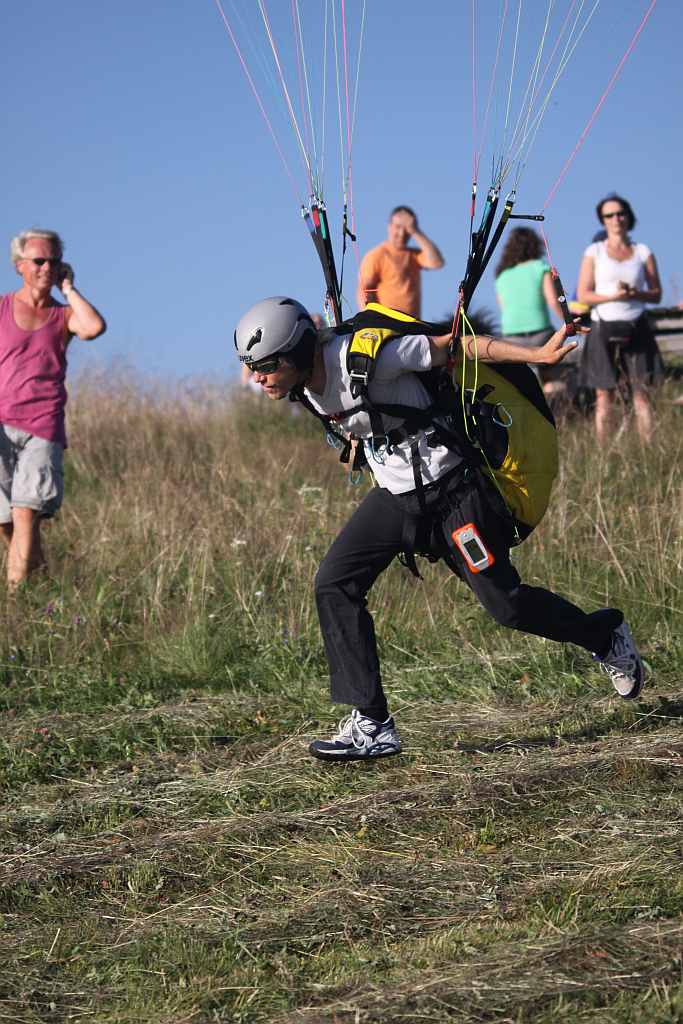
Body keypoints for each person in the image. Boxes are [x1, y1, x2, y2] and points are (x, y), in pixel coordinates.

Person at [234, 296, 645, 762]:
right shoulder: (303, 386)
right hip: (397, 498)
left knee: (507, 606)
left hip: (453, 493)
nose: (257, 377)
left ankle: (604, 635)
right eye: (252, 367)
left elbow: (456, 347)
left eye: (265, 366)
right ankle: (372, 723)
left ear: (296, 352)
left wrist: (538, 355)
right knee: (333, 583)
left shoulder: (364, 357)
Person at [0, 229, 106, 588]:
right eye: (39, 261)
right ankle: (43, 585)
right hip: (1, 423)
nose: (47, 267)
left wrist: (69, 289)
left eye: (54, 261)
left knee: (26, 513)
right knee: (6, 522)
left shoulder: (63, 315)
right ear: (19, 265)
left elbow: (93, 327)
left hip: (43, 426)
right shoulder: (2, 308)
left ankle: (14, 601)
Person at [577, 194, 662, 444]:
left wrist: (635, 293)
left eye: (620, 213)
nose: (616, 219)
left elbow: (656, 294)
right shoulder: (594, 252)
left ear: (628, 216)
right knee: (604, 395)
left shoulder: (643, 251)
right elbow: (584, 294)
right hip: (603, 323)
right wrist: (613, 296)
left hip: (636, 323)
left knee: (642, 394)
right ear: (603, 220)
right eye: (609, 215)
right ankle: (604, 452)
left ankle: (648, 448)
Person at [494, 227, 567, 399]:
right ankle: (554, 405)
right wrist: (568, 321)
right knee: (554, 380)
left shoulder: (502, 276)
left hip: (511, 337)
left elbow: (503, 307)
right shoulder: (540, 267)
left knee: (519, 385)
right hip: (541, 333)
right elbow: (552, 300)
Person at [357, 206, 444, 318]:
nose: (402, 233)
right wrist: (372, 320)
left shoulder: (414, 255)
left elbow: (437, 262)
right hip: (388, 323)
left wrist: (415, 231)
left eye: (407, 229)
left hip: (413, 324)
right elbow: (364, 290)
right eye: (398, 227)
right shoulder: (377, 255)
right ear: (389, 226)